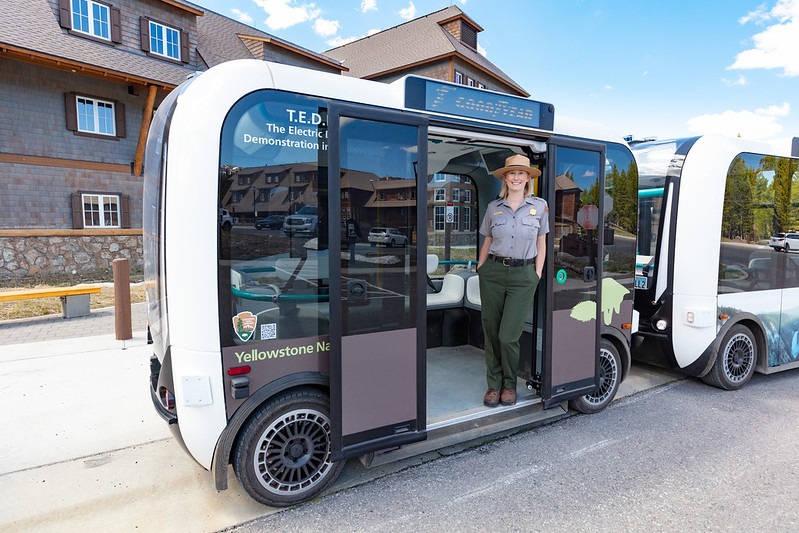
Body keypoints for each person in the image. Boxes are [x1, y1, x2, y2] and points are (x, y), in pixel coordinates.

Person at [477, 154, 549, 407]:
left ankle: (510, 384)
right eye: (512, 173)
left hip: (523, 275)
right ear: (505, 178)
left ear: (528, 177)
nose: (516, 177)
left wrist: (537, 273)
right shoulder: (493, 207)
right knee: (491, 332)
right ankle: (493, 385)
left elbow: (542, 242)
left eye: (521, 173)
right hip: (493, 273)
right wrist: (480, 266)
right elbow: (487, 239)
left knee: (508, 336)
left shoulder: (539, 206)